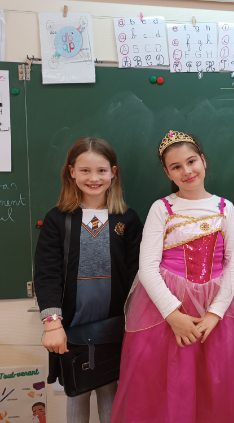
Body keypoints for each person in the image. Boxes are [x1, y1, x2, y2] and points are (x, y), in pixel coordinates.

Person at [111, 130, 234, 422]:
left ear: (203, 160)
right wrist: (173, 315)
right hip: (166, 312)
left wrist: (214, 314)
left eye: (191, 161)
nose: (186, 171)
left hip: (214, 313)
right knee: (171, 387)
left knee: (212, 388)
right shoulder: (162, 208)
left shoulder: (225, 208)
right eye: (176, 166)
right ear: (167, 172)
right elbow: (147, 267)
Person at [34, 137, 142, 423]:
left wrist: (137, 322)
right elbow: (46, 273)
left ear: (113, 173)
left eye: (101, 170)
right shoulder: (58, 220)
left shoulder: (127, 219)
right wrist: (52, 324)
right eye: (85, 170)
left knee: (111, 392)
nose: (94, 178)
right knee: (76, 392)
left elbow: (138, 274)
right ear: (72, 172)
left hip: (115, 327)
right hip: (70, 330)